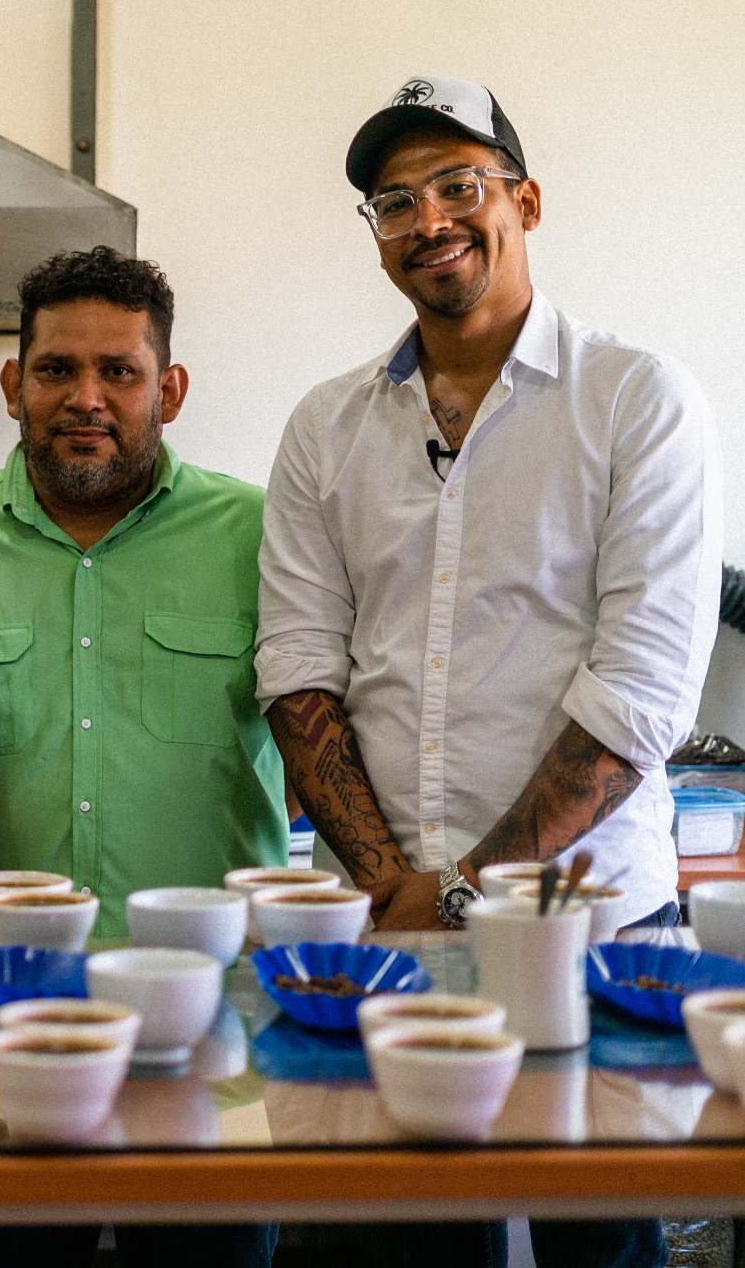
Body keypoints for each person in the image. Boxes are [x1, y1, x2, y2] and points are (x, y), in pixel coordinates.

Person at [257, 74, 719, 1268]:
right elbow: (298, 668)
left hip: (593, 928)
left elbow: (639, 692)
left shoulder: (633, 398)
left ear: (524, 199)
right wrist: (394, 887)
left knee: (599, 1241)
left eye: (457, 185)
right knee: (387, 1246)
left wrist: (460, 890)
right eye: (392, 201)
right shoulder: (324, 425)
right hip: (380, 927)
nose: (426, 220)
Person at [0, 247, 281, 1268]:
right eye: (55, 369)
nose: (83, 398)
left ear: (169, 391)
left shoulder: (267, 538)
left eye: (118, 371)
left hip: (210, 1036)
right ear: (14, 383)